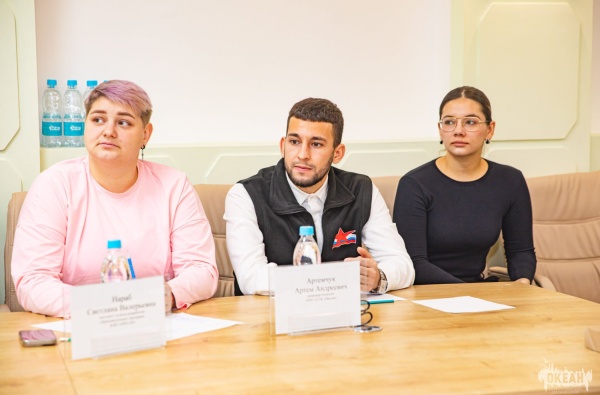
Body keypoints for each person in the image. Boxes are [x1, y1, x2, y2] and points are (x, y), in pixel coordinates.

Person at [12, 80, 219, 317]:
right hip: (75, 326)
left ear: (145, 134)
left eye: (123, 122)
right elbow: (33, 281)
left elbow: (201, 269)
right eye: (98, 119)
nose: (108, 131)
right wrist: (110, 306)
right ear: (85, 126)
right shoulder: (53, 185)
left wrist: (168, 295)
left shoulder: (174, 185)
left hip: (156, 322)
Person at [224, 97, 414, 295]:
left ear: (337, 153)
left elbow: (403, 265)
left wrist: (377, 277)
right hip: (269, 312)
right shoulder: (246, 195)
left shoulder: (361, 190)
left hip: (344, 311)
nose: (302, 154)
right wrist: (337, 278)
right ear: (283, 145)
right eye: (294, 142)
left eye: (316, 144)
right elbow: (251, 278)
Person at [392, 86, 536, 284]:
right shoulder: (414, 184)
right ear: (440, 130)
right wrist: (470, 294)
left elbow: (521, 251)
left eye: (470, 122)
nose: (458, 131)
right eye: (449, 122)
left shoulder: (510, 180)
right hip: (427, 292)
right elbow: (414, 263)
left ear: (490, 129)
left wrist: (522, 284)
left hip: (478, 290)